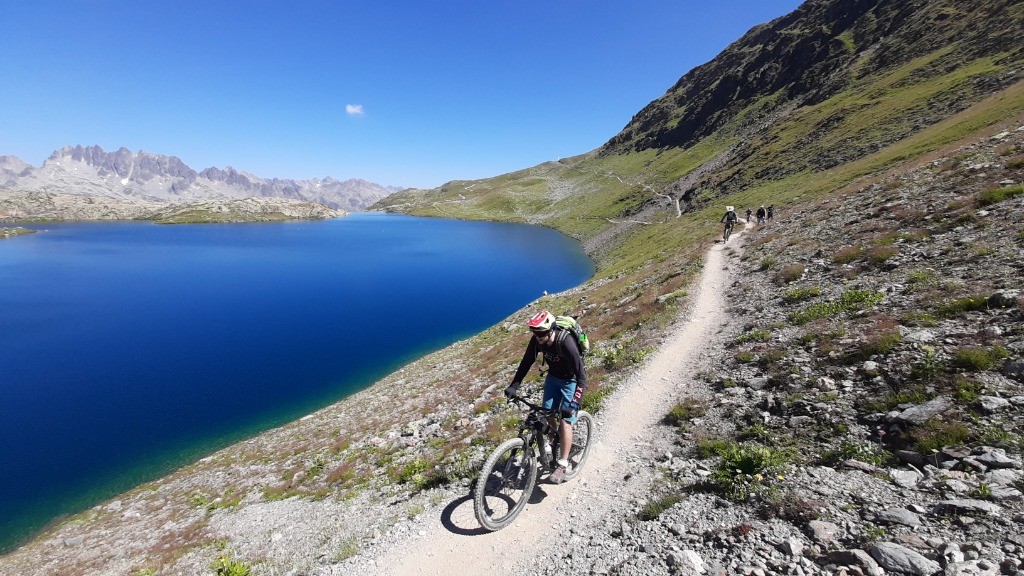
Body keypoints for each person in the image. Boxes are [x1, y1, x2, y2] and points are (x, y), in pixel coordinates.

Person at [505, 310, 586, 484]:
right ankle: (554, 442)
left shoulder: (566, 342)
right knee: (547, 413)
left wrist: (574, 403)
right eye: (535, 333)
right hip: (553, 379)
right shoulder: (537, 341)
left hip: (570, 381)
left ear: (551, 329)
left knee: (565, 421)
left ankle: (562, 465)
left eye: (541, 333)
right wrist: (514, 385)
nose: (538, 336)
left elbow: (581, 376)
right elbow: (526, 362)